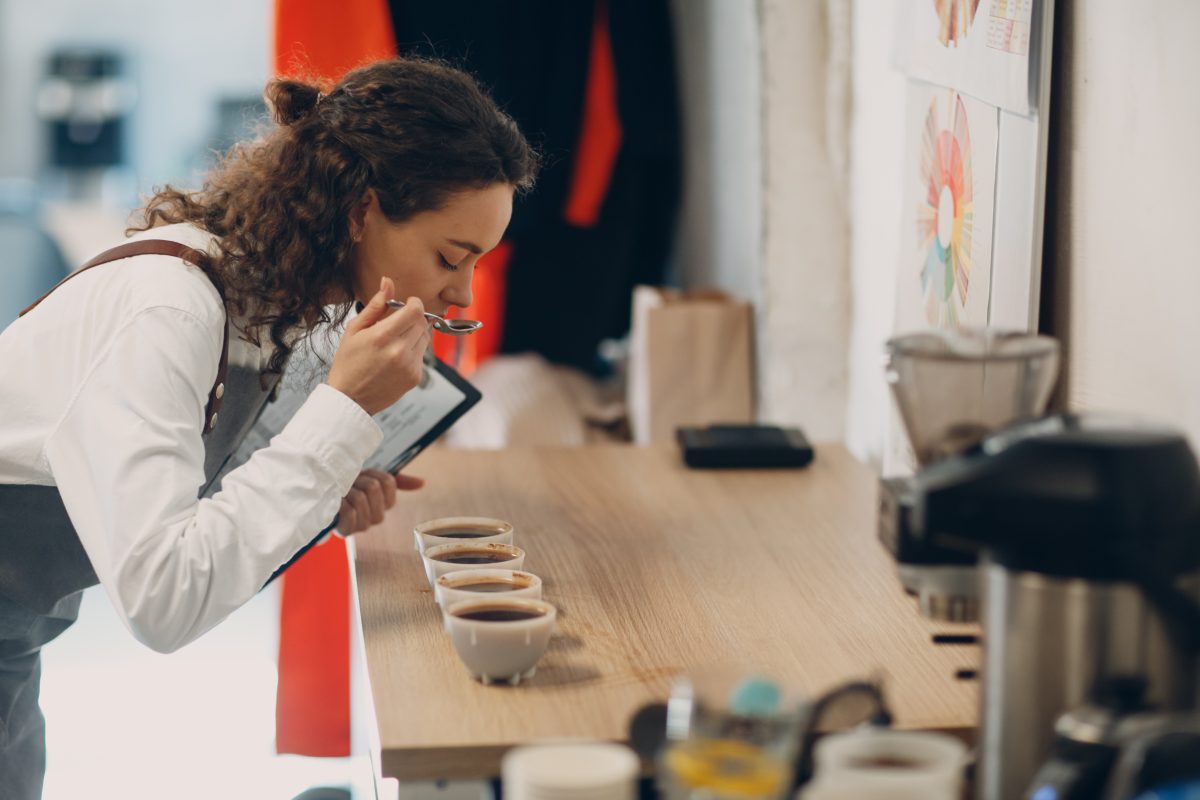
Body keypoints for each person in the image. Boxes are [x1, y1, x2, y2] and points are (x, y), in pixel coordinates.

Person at [0, 56, 538, 799]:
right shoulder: (171, 310)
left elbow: (204, 525)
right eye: (451, 257)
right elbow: (164, 602)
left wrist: (320, 484)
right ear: (361, 210)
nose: (461, 292)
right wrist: (341, 416)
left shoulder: (268, 309)